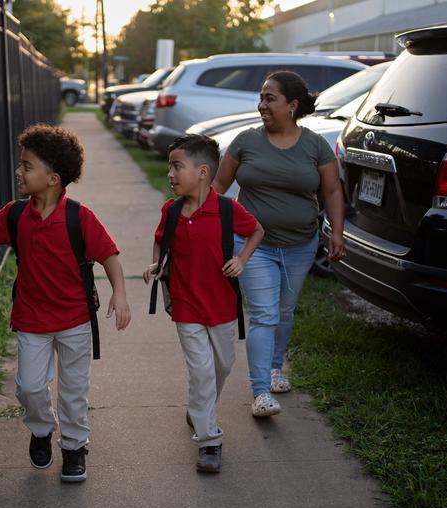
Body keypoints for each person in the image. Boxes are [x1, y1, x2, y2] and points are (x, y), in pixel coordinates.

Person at [0, 124, 131, 483]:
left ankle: (73, 447)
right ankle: (41, 430)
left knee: (73, 391)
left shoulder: (78, 217)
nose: (18, 171)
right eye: (21, 164)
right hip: (32, 320)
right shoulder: (15, 215)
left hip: (75, 320)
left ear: (52, 178)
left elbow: (109, 255)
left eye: (27, 166)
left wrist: (120, 292)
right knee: (29, 387)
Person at [211, 70, 346, 417]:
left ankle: (274, 367)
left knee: (284, 312)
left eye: (270, 98)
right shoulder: (245, 141)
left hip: (300, 244)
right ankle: (260, 392)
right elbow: (218, 187)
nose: (261, 105)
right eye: (261, 98)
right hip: (251, 244)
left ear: (292, 105)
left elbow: (331, 190)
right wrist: (192, 222)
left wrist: (336, 232)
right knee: (264, 313)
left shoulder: (315, 145)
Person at [143, 134, 264, 472]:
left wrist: (241, 259)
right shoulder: (171, 211)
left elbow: (257, 231)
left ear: (203, 172)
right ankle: (209, 441)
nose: (170, 174)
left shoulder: (227, 209)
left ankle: (199, 407)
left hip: (222, 306)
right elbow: (159, 243)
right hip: (186, 306)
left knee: (222, 366)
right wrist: (158, 265)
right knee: (201, 370)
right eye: (170, 167)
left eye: (177, 166)